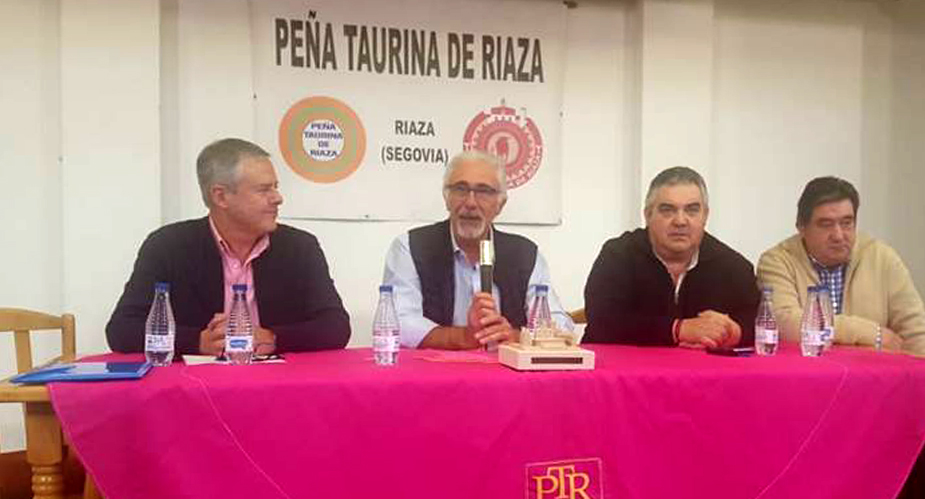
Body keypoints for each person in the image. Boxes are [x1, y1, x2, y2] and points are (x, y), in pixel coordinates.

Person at [757, 176, 925, 499]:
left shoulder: (882, 258)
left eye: (847, 222)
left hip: (876, 401)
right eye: (826, 224)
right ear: (801, 227)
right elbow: (790, 325)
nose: (839, 234)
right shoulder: (776, 261)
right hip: (806, 403)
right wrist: (870, 333)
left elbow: (916, 332)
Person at [106, 137, 350, 356]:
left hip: (277, 386)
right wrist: (196, 342)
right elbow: (122, 330)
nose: (278, 198)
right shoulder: (168, 246)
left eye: (275, 187)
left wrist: (272, 337)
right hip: (198, 391)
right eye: (264, 189)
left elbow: (336, 327)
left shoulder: (300, 247)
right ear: (221, 196)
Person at [382, 150, 572, 349]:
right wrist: (463, 337)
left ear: (500, 204)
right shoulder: (410, 248)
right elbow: (398, 322)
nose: (471, 203)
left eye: (484, 191)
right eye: (460, 189)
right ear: (446, 198)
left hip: (507, 375)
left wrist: (516, 337)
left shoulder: (525, 254)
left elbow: (559, 324)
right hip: (435, 373)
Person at [582, 166, 759, 347]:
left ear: (705, 215)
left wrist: (735, 333)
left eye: (692, 210)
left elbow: (758, 321)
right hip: (624, 371)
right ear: (648, 215)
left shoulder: (733, 266)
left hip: (703, 372)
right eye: (668, 210)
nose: (680, 221)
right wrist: (678, 329)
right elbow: (602, 321)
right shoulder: (618, 255)